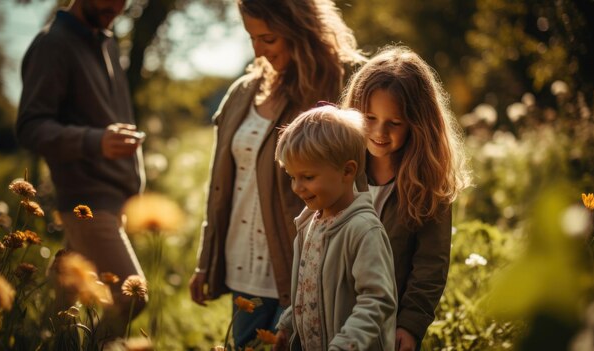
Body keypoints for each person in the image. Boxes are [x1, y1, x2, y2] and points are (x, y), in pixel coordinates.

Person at [189, 0, 365, 347]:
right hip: (242, 268)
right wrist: (205, 261)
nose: (258, 51)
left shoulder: (338, 84)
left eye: (268, 39)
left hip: (304, 267)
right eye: (252, 38)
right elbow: (222, 186)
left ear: (299, 29)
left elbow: (359, 178)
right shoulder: (242, 92)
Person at [15, 0, 147, 341]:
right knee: (133, 298)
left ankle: (27, 341)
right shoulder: (53, 44)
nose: (118, 7)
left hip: (114, 197)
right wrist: (95, 141)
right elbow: (31, 127)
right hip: (87, 199)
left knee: (60, 311)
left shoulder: (106, 40)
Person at [342, 45, 472, 351]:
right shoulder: (340, 169)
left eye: (394, 123)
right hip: (334, 315)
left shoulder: (429, 184)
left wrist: (411, 324)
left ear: (418, 123)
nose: (379, 131)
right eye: (369, 117)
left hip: (387, 327)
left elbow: (430, 264)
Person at [273, 105, 397, 351]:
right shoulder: (309, 223)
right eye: (291, 176)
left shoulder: (363, 230)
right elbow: (307, 290)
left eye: (308, 177)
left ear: (347, 171)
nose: (297, 187)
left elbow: (377, 300)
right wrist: (288, 325)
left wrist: (345, 345)